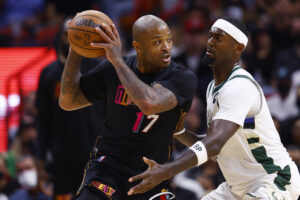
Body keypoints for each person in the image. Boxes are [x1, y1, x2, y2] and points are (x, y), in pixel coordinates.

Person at [127, 18, 300, 200]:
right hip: (237, 187)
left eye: (218, 38)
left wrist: (167, 170)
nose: (210, 42)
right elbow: (214, 144)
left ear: (238, 48)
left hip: (273, 179)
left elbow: (215, 143)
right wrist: (177, 131)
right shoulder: (212, 88)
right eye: (210, 36)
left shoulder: (239, 86)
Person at [59, 15, 197, 200]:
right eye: (157, 42)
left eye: (169, 39)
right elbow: (68, 100)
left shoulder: (182, 78)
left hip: (152, 173)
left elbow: (149, 104)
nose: (167, 47)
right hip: (108, 168)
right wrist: (75, 48)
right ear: (138, 47)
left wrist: (117, 61)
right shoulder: (112, 69)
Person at [35, 18, 106, 199]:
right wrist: (39, 158)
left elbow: (111, 114)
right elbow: (42, 119)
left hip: (96, 157)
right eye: (69, 35)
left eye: (78, 36)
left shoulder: (101, 69)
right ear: (62, 37)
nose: (73, 40)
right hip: (61, 159)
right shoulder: (48, 73)